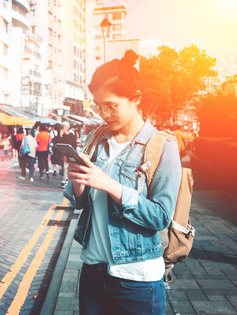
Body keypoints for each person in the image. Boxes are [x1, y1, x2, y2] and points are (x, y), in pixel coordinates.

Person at [63, 50, 182, 315]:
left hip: (137, 281)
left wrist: (109, 184)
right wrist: (79, 180)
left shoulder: (162, 146)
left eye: (111, 105)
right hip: (93, 273)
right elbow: (80, 202)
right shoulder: (97, 139)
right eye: (98, 106)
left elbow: (160, 216)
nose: (104, 113)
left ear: (136, 98)